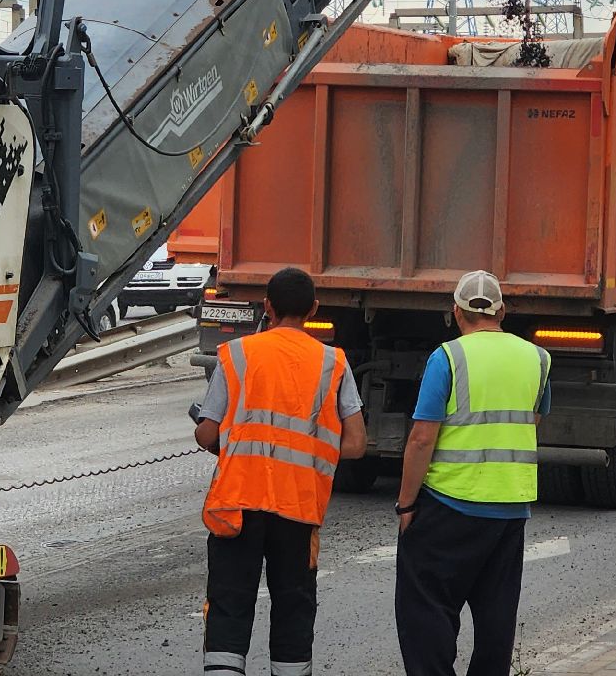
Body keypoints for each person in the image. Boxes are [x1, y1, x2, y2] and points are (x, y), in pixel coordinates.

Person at [193, 267, 368, 676]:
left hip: (237, 504)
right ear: (314, 309)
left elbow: (206, 433)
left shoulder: (238, 354)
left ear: (267, 306)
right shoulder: (333, 362)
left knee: (230, 603)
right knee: (293, 603)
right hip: (298, 505)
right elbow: (357, 444)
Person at [392, 270, 551, 676]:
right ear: (503, 311)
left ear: (456, 313)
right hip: (510, 509)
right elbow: (531, 420)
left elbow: (421, 439)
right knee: (497, 616)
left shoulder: (448, 357)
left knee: (426, 607)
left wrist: (406, 504)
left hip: (450, 505)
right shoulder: (537, 358)